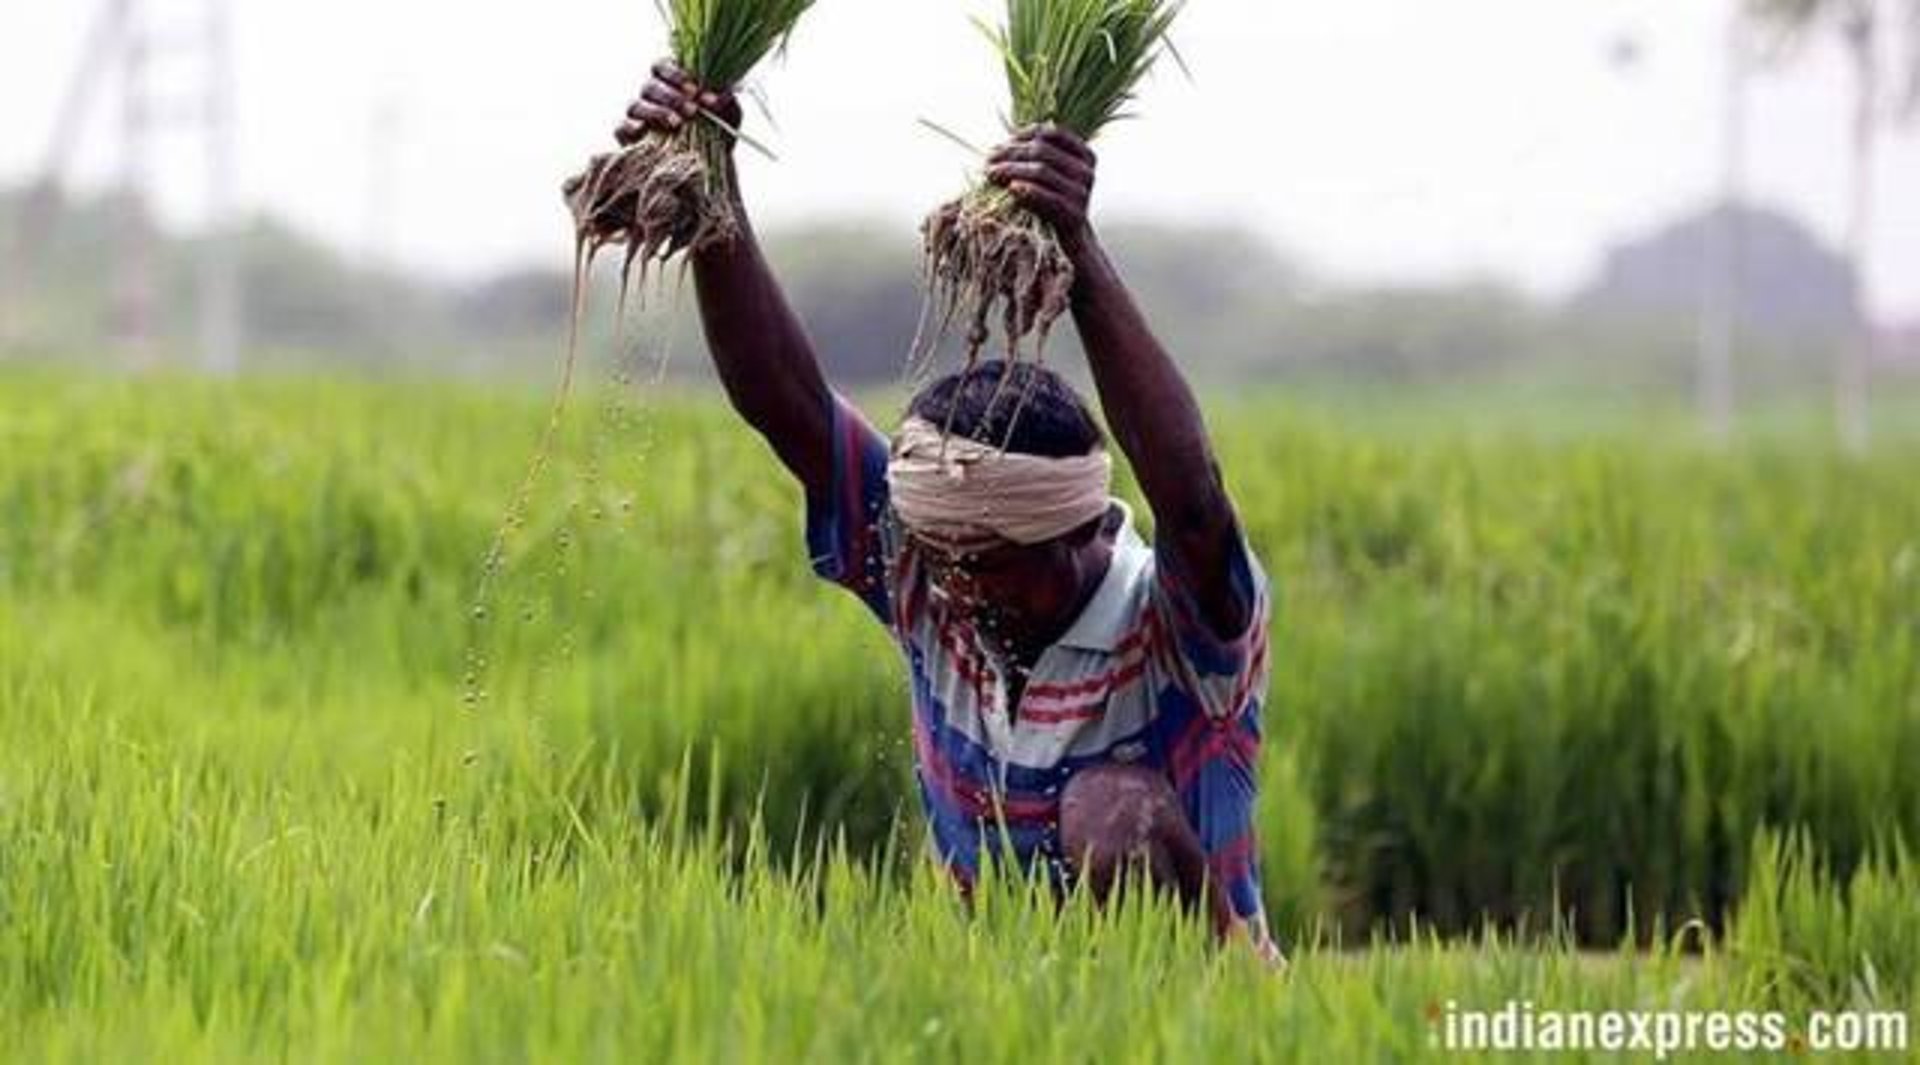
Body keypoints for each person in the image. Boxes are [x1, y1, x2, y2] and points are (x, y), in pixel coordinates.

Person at [584, 62, 1279, 962]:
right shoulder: (930, 566)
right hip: (998, 1006)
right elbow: (785, 401)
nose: (952, 586)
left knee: (1105, 810)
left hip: (1199, 1019)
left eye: (987, 565)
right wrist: (710, 183)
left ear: (1084, 534)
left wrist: (1078, 251)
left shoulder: (1179, 625)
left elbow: (1192, 498)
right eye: (940, 556)